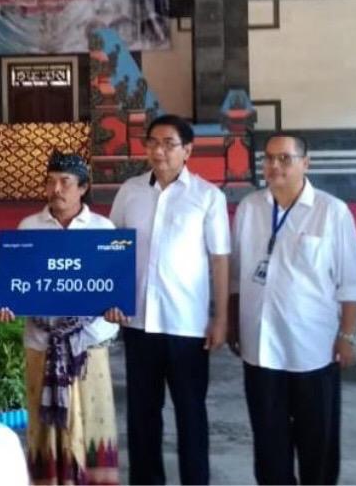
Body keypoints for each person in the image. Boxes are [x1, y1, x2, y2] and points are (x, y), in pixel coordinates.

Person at [229, 132, 356, 484]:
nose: (274, 166)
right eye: (269, 158)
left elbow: (350, 281)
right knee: (268, 440)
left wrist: (347, 335)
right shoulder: (250, 208)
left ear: (306, 162)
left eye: (284, 158)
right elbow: (236, 274)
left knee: (317, 439)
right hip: (260, 346)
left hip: (312, 348)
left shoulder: (331, 212)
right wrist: (232, 323)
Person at [106, 113, 230, 485]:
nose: (159, 151)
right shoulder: (130, 191)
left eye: (169, 144)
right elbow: (112, 248)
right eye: (153, 143)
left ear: (187, 151)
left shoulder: (208, 197)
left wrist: (221, 317)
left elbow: (220, 259)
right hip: (139, 322)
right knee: (143, 414)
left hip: (186, 325)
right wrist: (112, 297)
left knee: (191, 413)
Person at [0, 151, 120, 485]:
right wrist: (7, 304)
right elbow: (17, 285)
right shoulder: (29, 228)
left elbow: (113, 286)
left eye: (65, 182)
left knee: (92, 424)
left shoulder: (102, 229)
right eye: (50, 181)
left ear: (83, 188)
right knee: (44, 429)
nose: (56, 189)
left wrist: (115, 307)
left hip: (89, 346)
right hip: (41, 345)